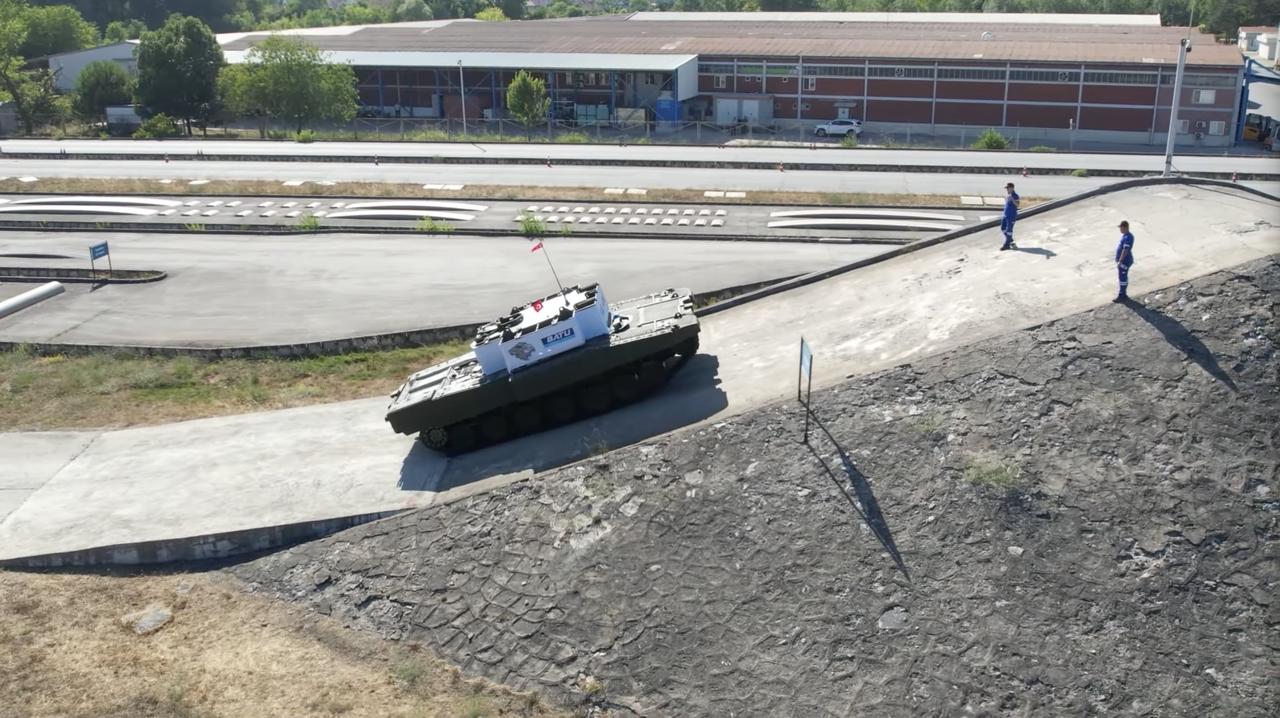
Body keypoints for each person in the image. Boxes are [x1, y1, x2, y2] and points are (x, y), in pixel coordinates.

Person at [1114, 220, 1135, 302]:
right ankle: (1123, 293)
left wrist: (1120, 261)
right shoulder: (1125, 236)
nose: (1120, 229)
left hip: (1125, 261)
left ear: (1125, 227)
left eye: (1121, 227)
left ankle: (1122, 294)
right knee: (1122, 277)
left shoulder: (1128, 237)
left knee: (1123, 277)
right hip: (1123, 260)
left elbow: (1125, 250)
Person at [999, 182, 1020, 250]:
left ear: (1012, 188)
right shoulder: (1008, 195)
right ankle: (1010, 240)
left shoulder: (1015, 196)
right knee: (1003, 228)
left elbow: (1017, 205)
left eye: (1008, 188)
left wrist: (1012, 199)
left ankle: (1006, 245)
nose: (1007, 189)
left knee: (1009, 230)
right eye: (1006, 188)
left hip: (1011, 216)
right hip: (1006, 215)